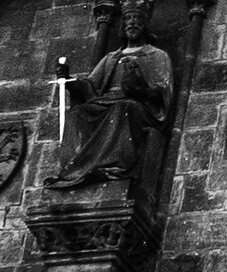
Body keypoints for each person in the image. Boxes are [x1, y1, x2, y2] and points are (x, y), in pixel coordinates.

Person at [54, 14, 176, 196]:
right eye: (128, 19)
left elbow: (163, 88)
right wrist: (67, 79)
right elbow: (90, 86)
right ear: (123, 26)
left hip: (138, 104)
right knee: (78, 113)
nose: (132, 23)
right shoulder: (111, 57)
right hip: (106, 101)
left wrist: (141, 89)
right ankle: (76, 169)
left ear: (144, 25)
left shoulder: (157, 55)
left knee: (122, 109)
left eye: (137, 19)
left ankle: (114, 165)